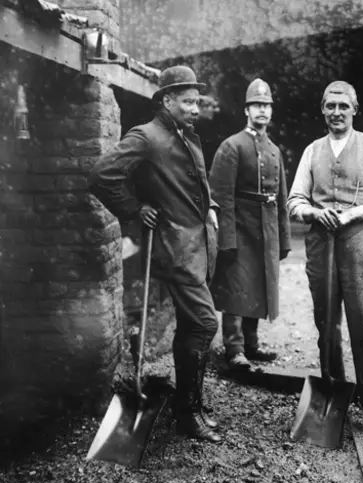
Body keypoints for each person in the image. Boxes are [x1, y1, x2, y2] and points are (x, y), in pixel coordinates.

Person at [89, 66, 222, 443]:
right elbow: (102, 175)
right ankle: (188, 413)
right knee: (204, 323)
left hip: (197, 246)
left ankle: (190, 407)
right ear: (166, 100)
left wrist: (209, 208)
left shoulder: (187, 135)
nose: (195, 108)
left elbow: (193, 186)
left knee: (190, 325)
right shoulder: (146, 137)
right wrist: (134, 209)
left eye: (197, 101)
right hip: (173, 248)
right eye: (187, 101)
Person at [287, 80, 363, 450]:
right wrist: (317, 214)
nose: (337, 112)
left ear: (354, 110)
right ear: (323, 110)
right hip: (321, 246)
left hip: (359, 246)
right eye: (330, 106)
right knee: (327, 329)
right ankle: (332, 404)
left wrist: (350, 216)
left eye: (343, 106)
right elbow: (294, 200)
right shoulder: (312, 151)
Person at [209, 78, 291, 370]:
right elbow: (220, 198)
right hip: (240, 228)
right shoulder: (232, 146)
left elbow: (281, 199)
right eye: (256, 105)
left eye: (266, 106)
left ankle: (252, 345)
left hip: (265, 231)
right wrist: (226, 239)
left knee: (259, 285)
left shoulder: (274, 150)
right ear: (246, 110)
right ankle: (234, 347)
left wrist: (283, 238)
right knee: (236, 286)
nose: (262, 111)